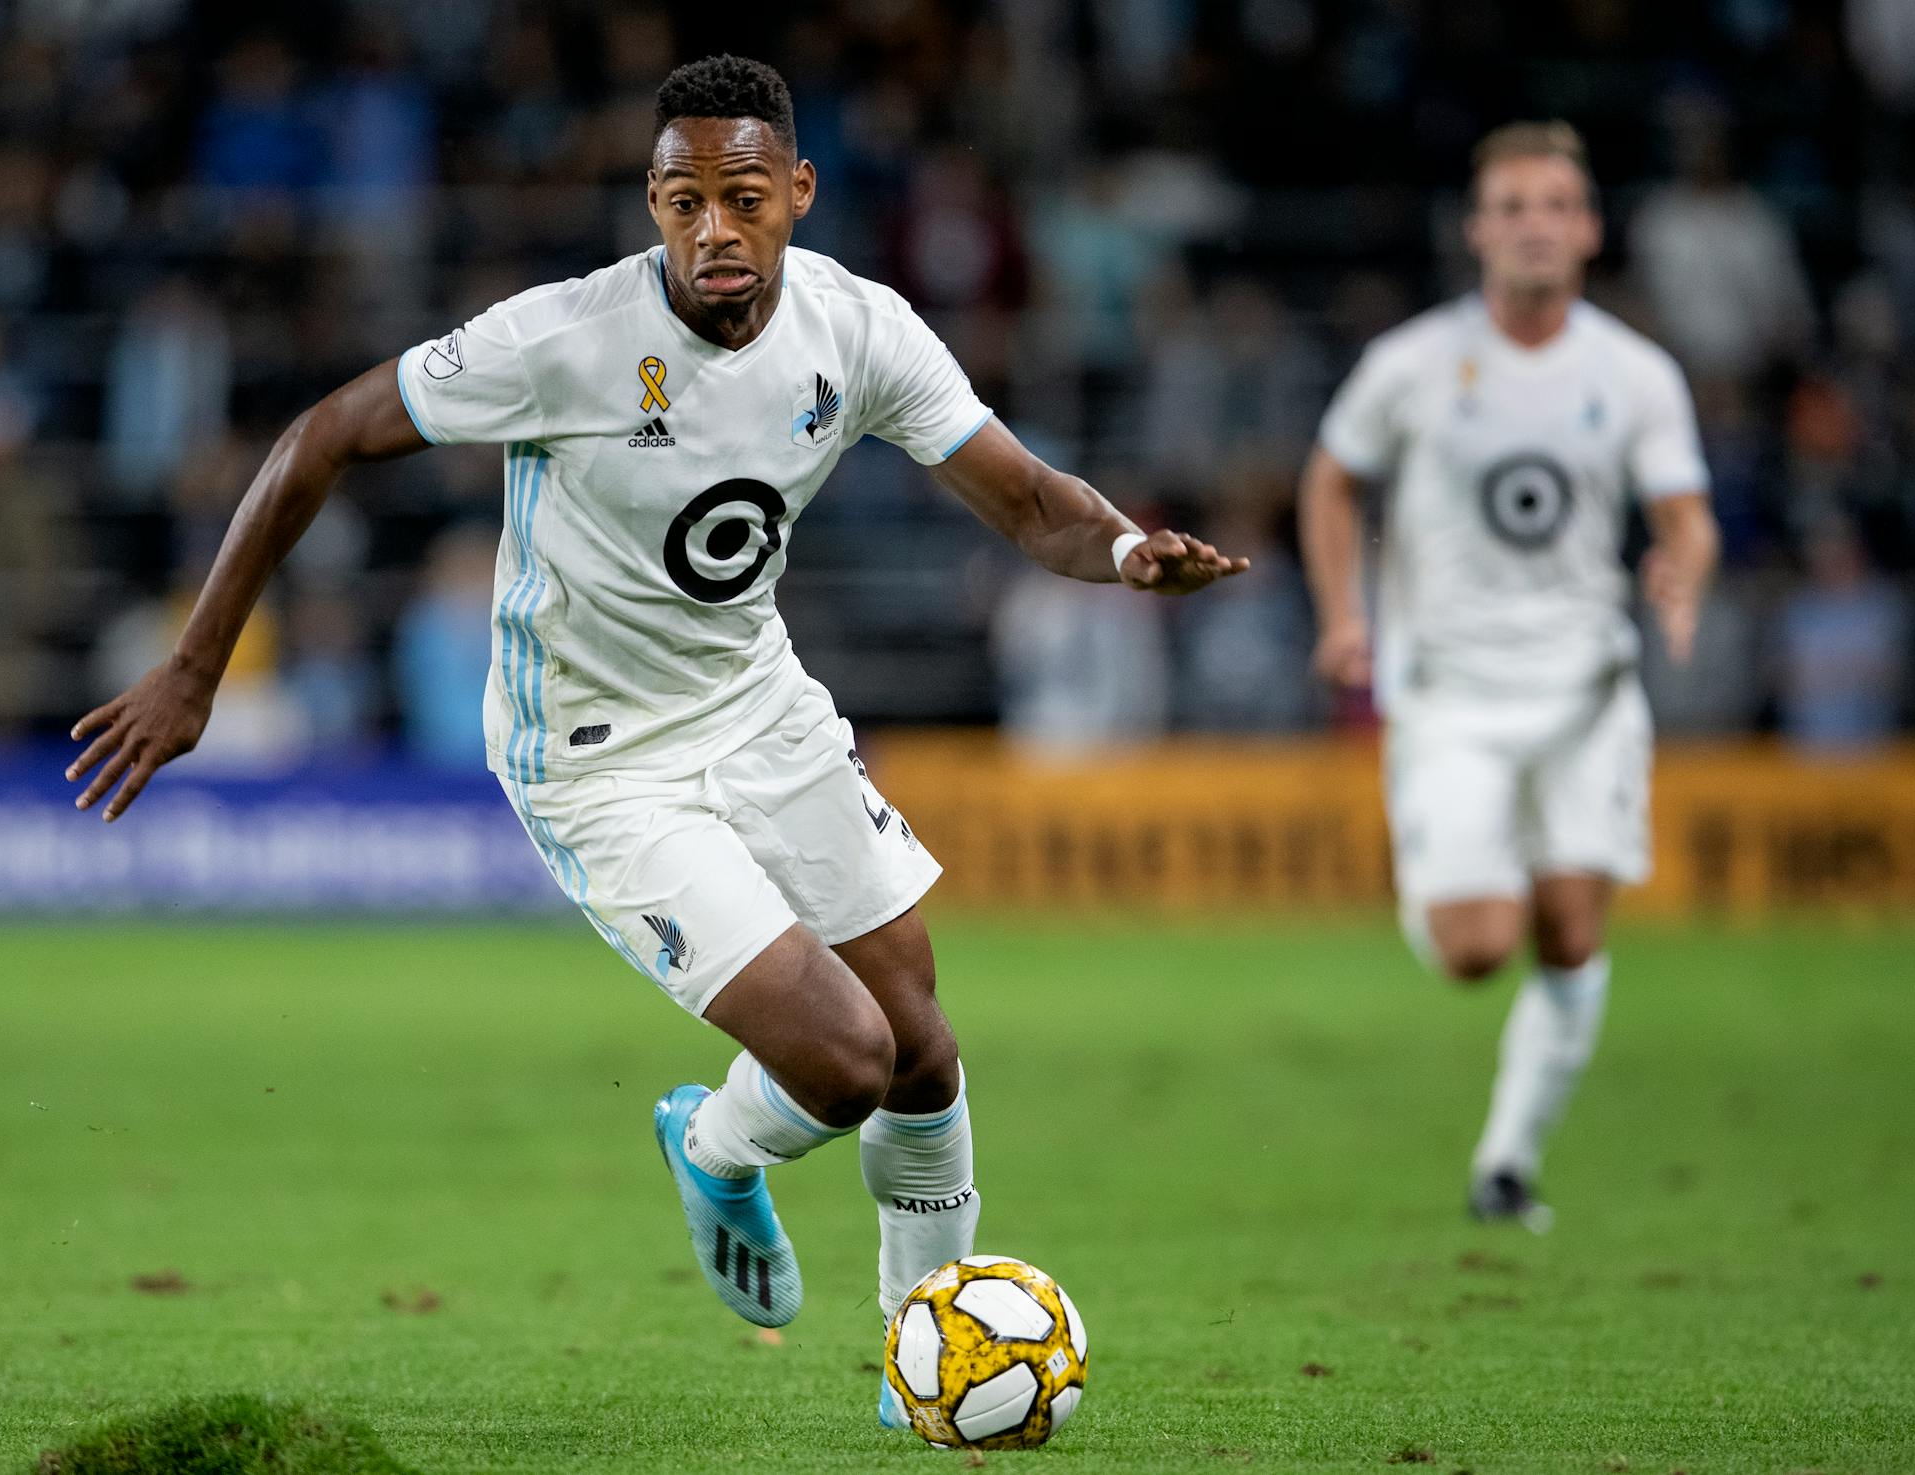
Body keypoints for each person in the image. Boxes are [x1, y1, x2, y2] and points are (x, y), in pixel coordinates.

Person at [66, 54, 1241, 1418]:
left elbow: (1032, 502)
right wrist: (197, 666)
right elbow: (322, 432)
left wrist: (1125, 549)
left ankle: (922, 1358)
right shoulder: (563, 338)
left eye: (743, 198)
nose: (714, 232)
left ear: (797, 192)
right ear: (653, 203)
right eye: (683, 202)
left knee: (920, 1040)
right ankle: (716, 1141)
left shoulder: (859, 331)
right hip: (595, 752)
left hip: (754, 698)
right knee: (846, 1061)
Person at [1298, 122, 1719, 1230]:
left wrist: (1683, 568)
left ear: (1587, 228)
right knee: (1479, 949)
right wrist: (1344, 615)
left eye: (1556, 205)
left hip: (1585, 689)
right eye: (1514, 206)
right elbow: (1332, 480)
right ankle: (1444, 858)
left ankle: (1506, 1164)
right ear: (1480, 229)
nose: (1535, 225)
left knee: (1574, 930)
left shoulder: (1633, 373)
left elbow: (1686, 514)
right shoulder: (1413, 364)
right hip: (1451, 694)